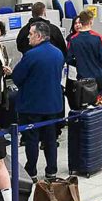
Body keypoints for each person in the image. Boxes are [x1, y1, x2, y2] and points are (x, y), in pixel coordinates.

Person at [10, 21, 65, 179]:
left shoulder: (31, 55)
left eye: (31, 34)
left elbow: (18, 77)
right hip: (53, 104)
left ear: (39, 36)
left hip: (32, 105)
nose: (28, 37)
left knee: (32, 139)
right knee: (50, 139)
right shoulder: (58, 53)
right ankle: (51, 170)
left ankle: (32, 171)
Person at [66, 9, 102, 95]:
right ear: (91, 21)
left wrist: (79, 63)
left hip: (82, 77)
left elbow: (69, 59)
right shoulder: (98, 37)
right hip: (99, 75)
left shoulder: (73, 39)